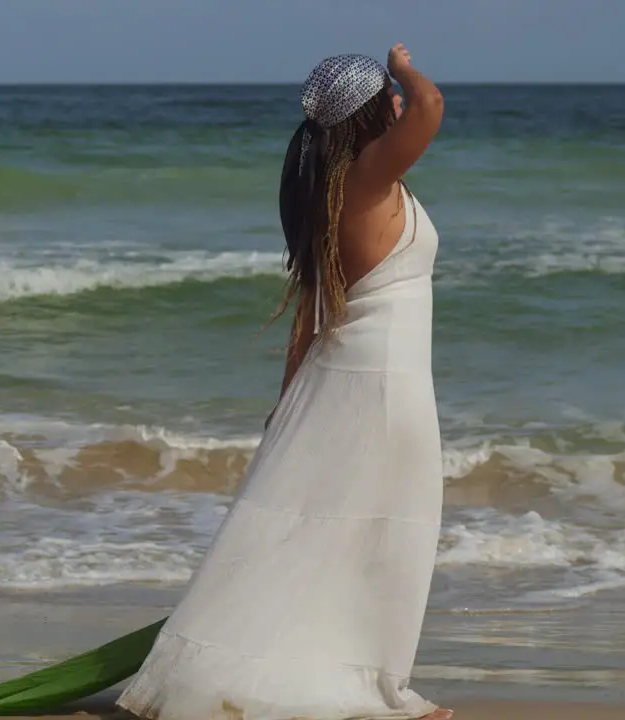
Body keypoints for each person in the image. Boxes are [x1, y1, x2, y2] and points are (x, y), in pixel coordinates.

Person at [116, 43, 449, 720]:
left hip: (357, 377)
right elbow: (432, 107)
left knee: (346, 534)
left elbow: (310, 309)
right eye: (386, 92)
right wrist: (404, 64)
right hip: (383, 382)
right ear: (372, 111)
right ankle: (371, 689)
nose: (397, 97)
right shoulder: (368, 177)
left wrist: (288, 400)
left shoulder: (344, 186)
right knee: (384, 535)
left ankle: (367, 682)